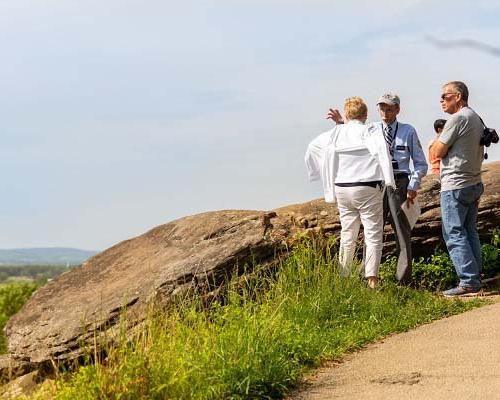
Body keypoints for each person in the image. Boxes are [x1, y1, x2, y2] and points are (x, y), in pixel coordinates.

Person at [327, 94, 428, 284]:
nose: (385, 113)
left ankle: (403, 280)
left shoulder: (408, 131)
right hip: (375, 182)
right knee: (372, 230)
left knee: (401, 231)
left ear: (397, 110)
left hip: (399, 181)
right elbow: (351, 136)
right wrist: (341, 122)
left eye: (389, 109)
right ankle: (369, 275)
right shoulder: (371, 129)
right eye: (382, 109)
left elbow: (420, 163)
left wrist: (413, 185)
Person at [305, 97, 395, 288]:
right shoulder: (371, 130)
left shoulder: (336, 133)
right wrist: (389, 181)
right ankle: (371, 280)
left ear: (346, 115)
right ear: (365, 115)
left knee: (348, 234)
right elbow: (382, 152)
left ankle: (344, 277)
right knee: (372, 233)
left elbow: (313, 147)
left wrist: (318, 172)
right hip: (367, 186)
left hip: (342, 188)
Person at [431, 81, 484, 297]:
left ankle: (469, 281)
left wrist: (439, 144)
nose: (441, 100)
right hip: (474, 181)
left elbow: (437, 151)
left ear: (458, 96)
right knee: (469, 230)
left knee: (453, 232)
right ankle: (475, 276)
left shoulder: (457, 118)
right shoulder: (475, 117)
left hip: (455, 184)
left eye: (445, 96)